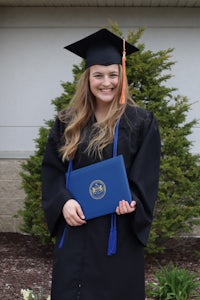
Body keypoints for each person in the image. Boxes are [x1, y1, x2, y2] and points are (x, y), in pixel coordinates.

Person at [42, 28, 160, 300]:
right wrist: (63, 202)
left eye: (113, 75)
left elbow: (146, 177)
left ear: (122, 77)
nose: (106, 82)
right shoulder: (67, 122)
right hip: (76, 230)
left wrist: (132, 200)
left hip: (116, 236)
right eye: (98, 75)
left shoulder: (140, 122)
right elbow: (52, 170)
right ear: (88, 78)